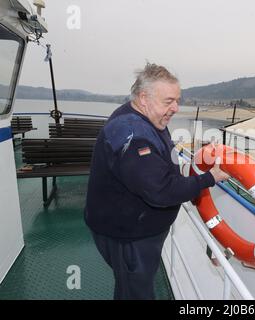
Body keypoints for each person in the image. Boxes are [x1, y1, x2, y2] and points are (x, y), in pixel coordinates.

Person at [84, 63, 229, 300]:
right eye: (168, 101)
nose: (175, 108)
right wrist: (209, 178)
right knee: (135, 293)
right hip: (128, 236)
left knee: (130, 286)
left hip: (135, 228)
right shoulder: (132, 136)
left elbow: (161, 162)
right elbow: (160, 191)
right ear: (144, 98)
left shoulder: (148, 119)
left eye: (177, 100)